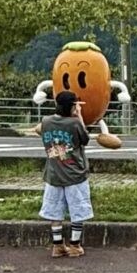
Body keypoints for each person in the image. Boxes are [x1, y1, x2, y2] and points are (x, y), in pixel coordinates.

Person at [36, 90, 93, 258]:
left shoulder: (46, 122)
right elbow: (85, 139)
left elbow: (41, 130)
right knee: (78, 208)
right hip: (74, 173)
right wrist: (79, 117)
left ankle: (57, 245)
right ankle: (75, 245)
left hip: (53, 174)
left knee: (54, 210)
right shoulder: (74, 123)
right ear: (72, 106)